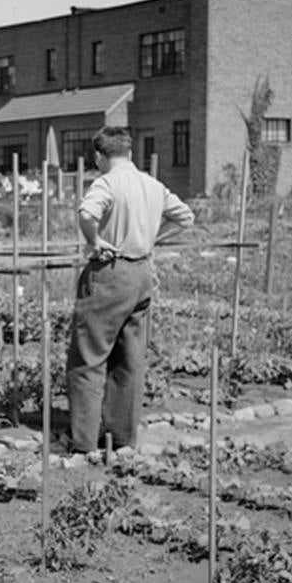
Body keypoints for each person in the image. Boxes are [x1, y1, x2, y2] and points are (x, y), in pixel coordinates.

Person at [66, 126, 194, 453]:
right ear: (130, 153)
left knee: (89, 356)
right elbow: (185, 217)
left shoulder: (106, 182)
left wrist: (95, 240)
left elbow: (87, 212)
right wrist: (153, 237)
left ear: (99, 157)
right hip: (142, 274)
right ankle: (122, 438)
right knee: (130, 359)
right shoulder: (152, 184)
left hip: (111, 271)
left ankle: (83, 441)